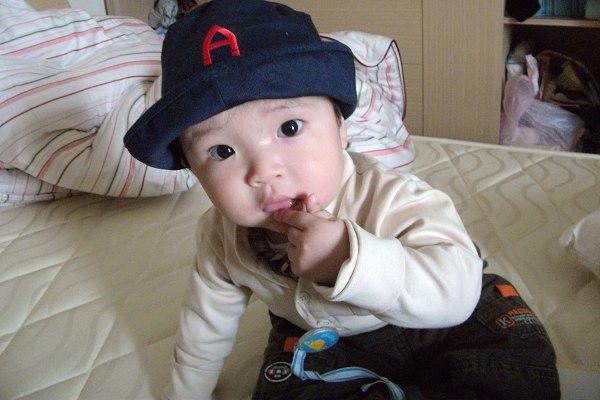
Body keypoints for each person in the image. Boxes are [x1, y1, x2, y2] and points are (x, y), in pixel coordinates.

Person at [124, 1, 560, 399]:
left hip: (443, 317)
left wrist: (348, 259)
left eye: (289, 128)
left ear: (340, 129)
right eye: (222, 151)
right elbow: (204, 326)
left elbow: (457, 289)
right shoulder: (222, 239)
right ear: (193, 169)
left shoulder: (390, 195)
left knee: (515, 368)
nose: (264, 172)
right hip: (324, 338)